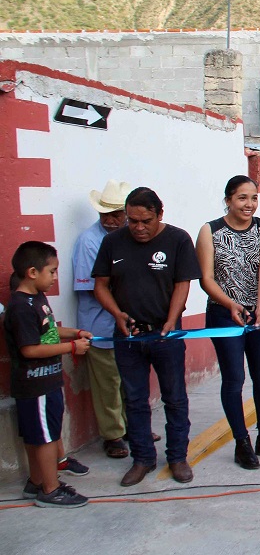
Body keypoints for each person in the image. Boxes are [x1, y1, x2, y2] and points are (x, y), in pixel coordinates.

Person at [93, 187, 202, 486]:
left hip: (166, 335)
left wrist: (170, 321)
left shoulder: (178, 239)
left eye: (146, 221)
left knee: (175, 398)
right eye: (133, 221)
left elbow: (183, 284)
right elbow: (100, 285)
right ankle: (142, 458)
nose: (139, 228)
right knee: (135, 399)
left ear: (159, 215)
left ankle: (178, 456)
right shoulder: (113, 242)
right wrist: (117, 314)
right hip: (128, 336)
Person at [197, 175, 260, 470]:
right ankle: (241, 441)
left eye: (253, 198)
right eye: (242, 198)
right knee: (234, 378)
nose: (249, 204)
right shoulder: (210, 231)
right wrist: (230, 304)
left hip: (259, 311)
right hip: (224, 313)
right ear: (228, 200)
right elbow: (206, 278)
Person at [4, 242, 93, 508]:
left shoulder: (38, 299)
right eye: (52, 272)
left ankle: (36, 482)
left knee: (45, 434)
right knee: (42, 438)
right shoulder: (20, 306)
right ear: (32, 272)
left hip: (48, 382)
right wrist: (72, 348)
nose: (55, 277)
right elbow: (30, 349)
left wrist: (76, 333)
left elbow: (49, 330)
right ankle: (50, 489)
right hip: (35, 386)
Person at [73, 179, 132, 459]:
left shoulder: (130, 237)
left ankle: (130, 426)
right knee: (108, 383)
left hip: (128, 323)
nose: (110, 220)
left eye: (115, 214)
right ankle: (113, 435)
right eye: (104, 214)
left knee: (127, 379)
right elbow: (94, 289)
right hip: (100, 324)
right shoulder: (89, 241)